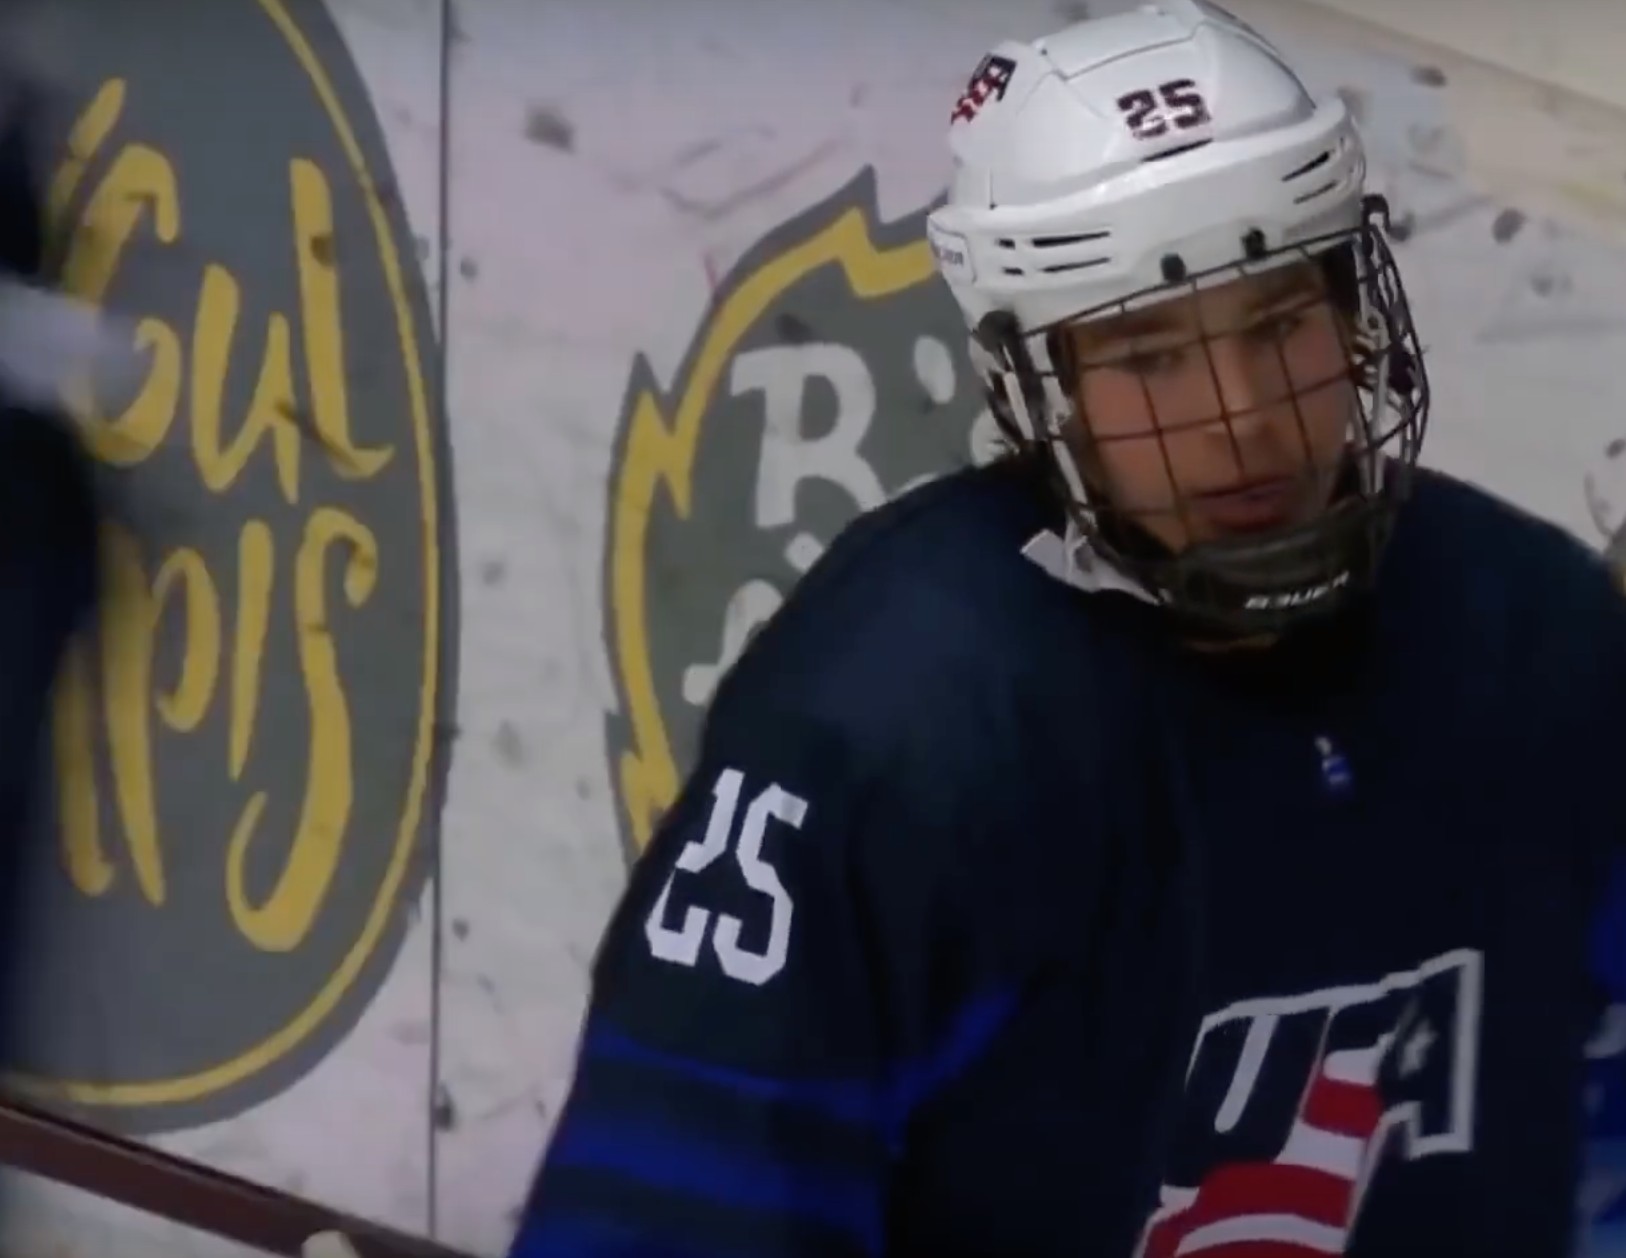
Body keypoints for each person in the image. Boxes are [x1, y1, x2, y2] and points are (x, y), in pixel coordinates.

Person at [508, 3, 1626, 1254]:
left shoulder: (1540, 642)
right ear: (1040, 389)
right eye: (1150, 357)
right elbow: (674, 1213)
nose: (1241, 415)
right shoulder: (895, 727)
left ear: (1353, 313)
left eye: (1277, 324)